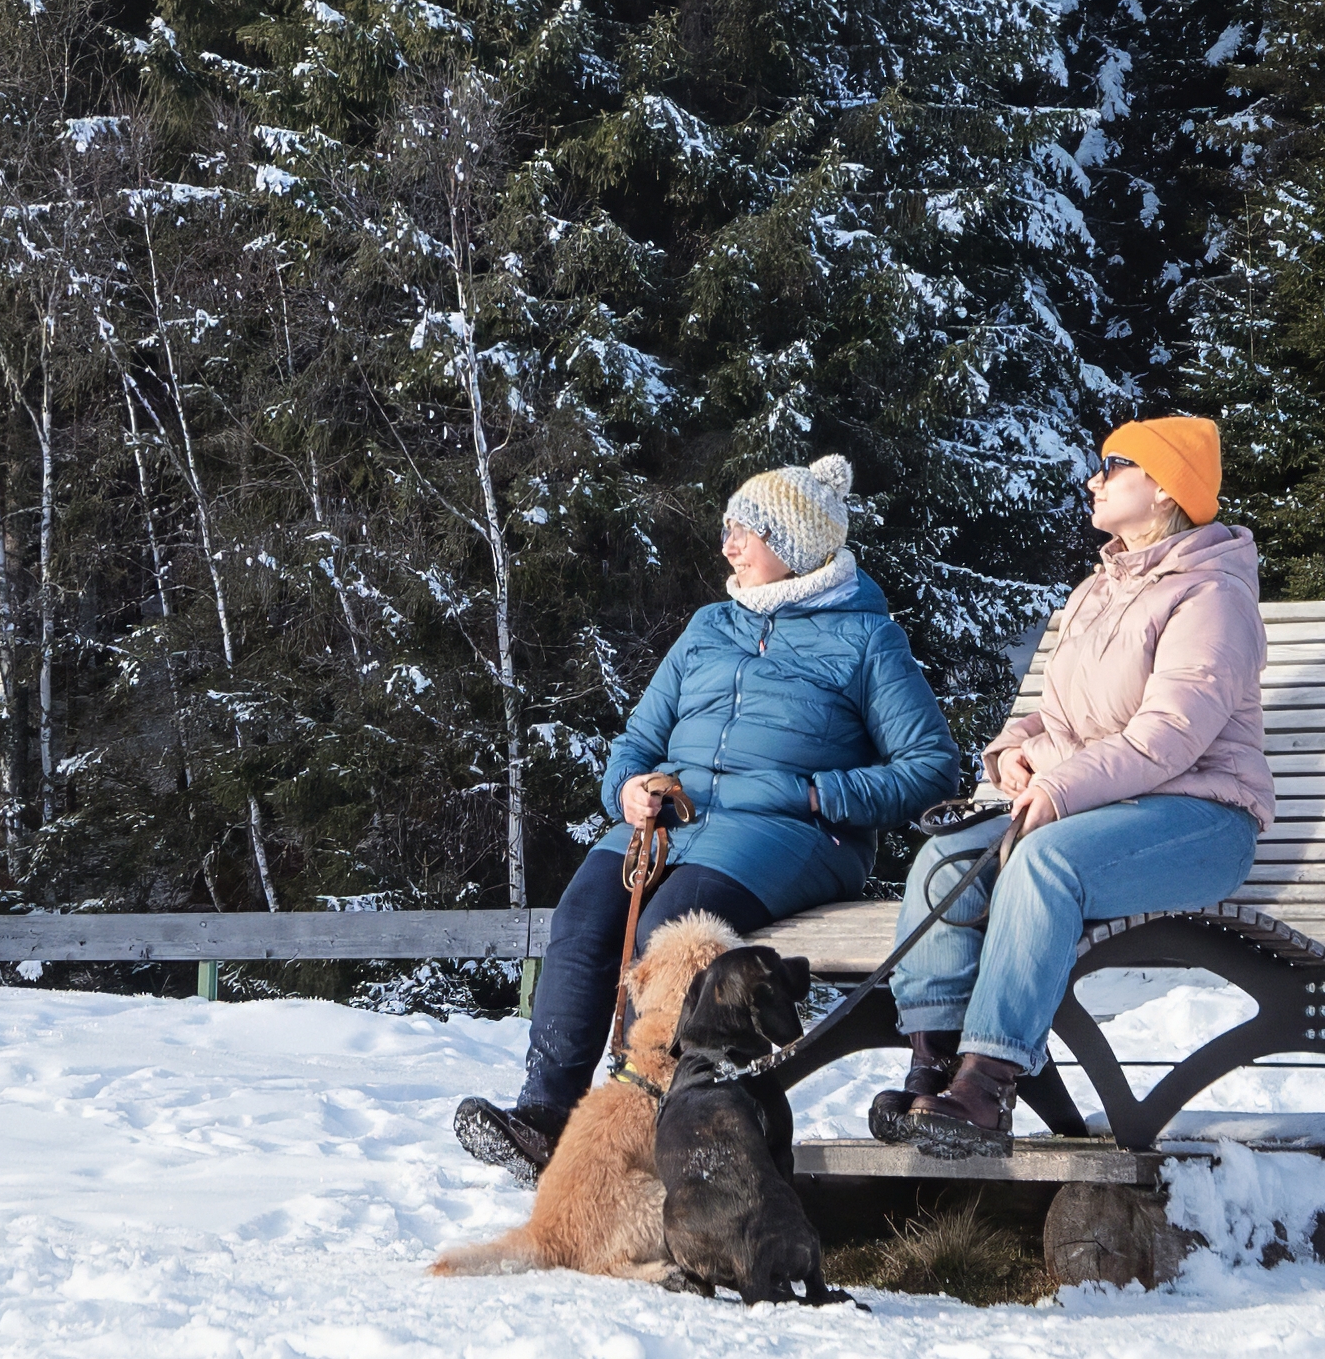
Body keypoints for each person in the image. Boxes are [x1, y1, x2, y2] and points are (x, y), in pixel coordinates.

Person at [453, 454, 959, 1177]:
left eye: (747, 531)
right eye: (727, 529)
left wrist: (814, 795)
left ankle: (642, 1132)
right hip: (674, 822)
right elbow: (637, 740)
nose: (729, 546)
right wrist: (628, 790)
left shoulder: (867, 639)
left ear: (795, 545)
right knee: (585, 914)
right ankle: (547, 1118)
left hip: (794, 833)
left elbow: (930, 768)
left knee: (671, 930)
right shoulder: (708, 626)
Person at [872, 414, 1267, 1161]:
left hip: (1202, 818)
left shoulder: (1212, 596)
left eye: (1113, 466)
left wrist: (1059, 789)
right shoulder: (1097, 590)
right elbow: (1058, 719)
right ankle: (935, 1069)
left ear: (1164, 489)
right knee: (946, 860)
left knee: (1043, 864)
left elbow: (1167, 737)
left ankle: (987, 1085)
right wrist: (1012, 754)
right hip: (1103, 807)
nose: (1094, 479)